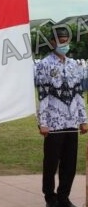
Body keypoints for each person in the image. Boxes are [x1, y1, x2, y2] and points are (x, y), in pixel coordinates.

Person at [35, 26, 88, 207]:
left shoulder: (75, 65)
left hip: (71, 121)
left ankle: (64, 197)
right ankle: (50, 198)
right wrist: (42, 122)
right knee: (51, 163)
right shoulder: (44, 65)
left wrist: (83, 120)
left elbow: (79, 93)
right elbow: (42, 95)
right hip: (53, 122)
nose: (64, 44)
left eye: (66, 40)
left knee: (70, 164)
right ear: (52, 43)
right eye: (61, 41)